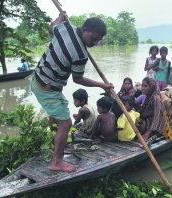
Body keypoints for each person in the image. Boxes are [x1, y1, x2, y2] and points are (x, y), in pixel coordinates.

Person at [30, 12, 113, 172]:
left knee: (57, 116)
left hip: (36, 78)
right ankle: (57, 161)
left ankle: (58, 142)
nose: (94, 44)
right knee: (66, 123)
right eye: (93, 39)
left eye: (97, 41)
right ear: (84, 29)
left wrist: (60, 17)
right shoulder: (81, 55)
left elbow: (52, 26)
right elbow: (78, 79)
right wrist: (102, 85)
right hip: (47, 88)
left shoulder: (65, 27)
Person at [136, 77, 172, 142]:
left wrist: (146, 134)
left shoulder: (156, 98)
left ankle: (153, 134)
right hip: (149, 120)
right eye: (142, 85)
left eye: (145, 86)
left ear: (151, 87)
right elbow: (142, 110)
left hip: (158, 125)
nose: (142, 88)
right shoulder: (148, 96)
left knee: (141, 127)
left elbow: (156, 118)